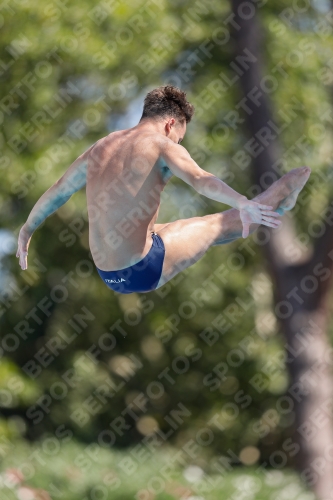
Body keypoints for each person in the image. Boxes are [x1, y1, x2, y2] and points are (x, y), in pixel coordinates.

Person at [16, 86, 311, 294]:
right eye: (180, 139)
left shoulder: (101, 146)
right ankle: (281, 192)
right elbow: (199, 178)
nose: (178, 145)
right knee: (215, 224)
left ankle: (266, 209)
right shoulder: (161, 144)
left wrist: (27, 228)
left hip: (109, 274)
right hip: (143, 267)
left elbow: (59, 190)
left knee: (178, 228)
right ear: (171, 124)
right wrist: (241, 201)